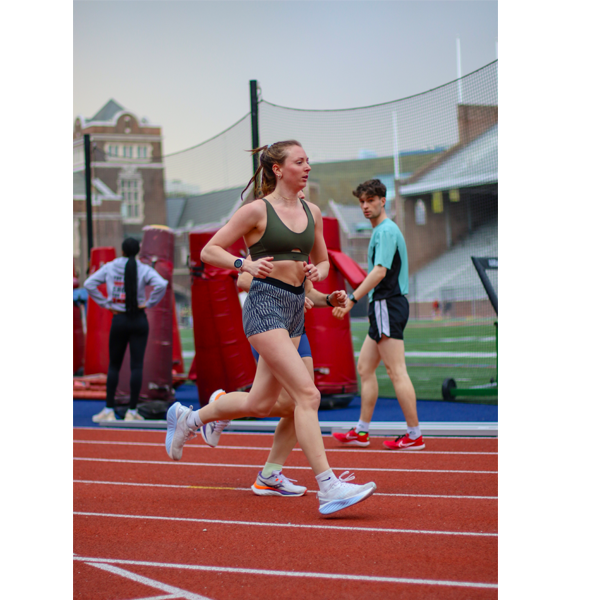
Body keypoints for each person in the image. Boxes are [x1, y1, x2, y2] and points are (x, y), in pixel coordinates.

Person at [165, 140, 376, 516]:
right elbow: (208, 251)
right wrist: (243, 265)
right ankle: (328, 486)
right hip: (265, 306)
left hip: (297, 308)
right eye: (300, 161)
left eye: (309, 160)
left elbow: (324, 264)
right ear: (278, 169)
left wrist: (323, 284)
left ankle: (191, 418)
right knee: (307, 397)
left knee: (262, 402)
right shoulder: (256, 211)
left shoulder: (313, 211)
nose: (308, 166)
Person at [216, 249, 347, 498]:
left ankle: (269, 473)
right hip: (269, 324)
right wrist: (285, 293)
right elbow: (244, 279)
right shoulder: (266, 240)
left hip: (296, 327)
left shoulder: (301, 240)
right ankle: (222, 408)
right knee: (297, 400)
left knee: (298, 404)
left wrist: (330, 299)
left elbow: (308, 292)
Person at [332, 179, 425, 451]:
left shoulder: (385, 231)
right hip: (383, 306)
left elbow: (380, 272)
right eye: (361, 201)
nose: (365, 206)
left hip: (387, 304)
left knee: (396, 371)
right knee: (365, 368)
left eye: (370, 200)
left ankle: (414, 434)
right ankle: (361, 431)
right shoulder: (380, 231)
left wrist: (351, 299)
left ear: (383, 201)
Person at [84, 238, 169, 422]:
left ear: (121, 251)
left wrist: (107, 303)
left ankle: (108, 409)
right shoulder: (143, 268)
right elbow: (162, 284)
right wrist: (149, 303)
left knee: (114, 365)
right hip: (138, 318)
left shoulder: (110, 266)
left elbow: (89, 284)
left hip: (120, 318)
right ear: (137, 251)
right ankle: (132, 411)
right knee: (136, 366)